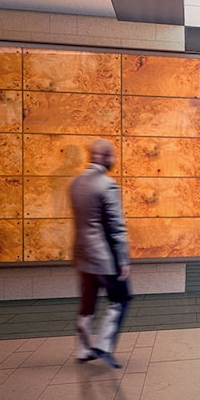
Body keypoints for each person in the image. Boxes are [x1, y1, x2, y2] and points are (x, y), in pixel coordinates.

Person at [70, 139, 131, 369]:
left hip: (81, 255)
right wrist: (123, 260)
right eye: (112, 156)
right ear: (104, 157)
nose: (114, 160)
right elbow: (116, 227)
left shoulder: (76, 184)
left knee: (88, 303)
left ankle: (83, 348)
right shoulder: (107, 185)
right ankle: (104, 345)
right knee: (121, 299)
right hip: (104, 256)